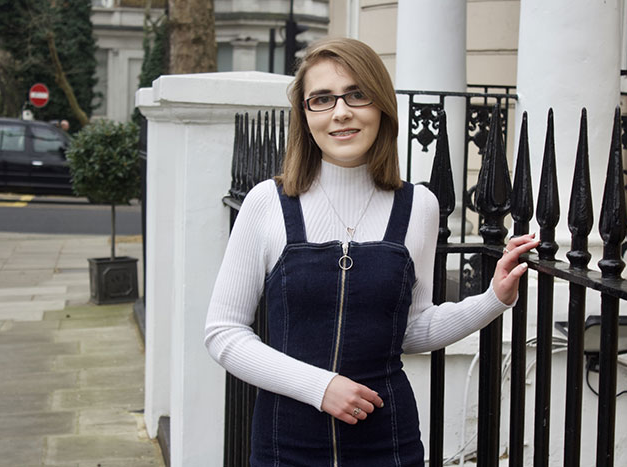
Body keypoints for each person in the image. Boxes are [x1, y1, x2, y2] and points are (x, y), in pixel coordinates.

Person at [204, 37, 539, 466]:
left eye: (357, 95)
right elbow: (223, 332)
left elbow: (412, 328)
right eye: (321, 99)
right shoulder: (268, 202)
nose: (341, 112)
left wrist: (494, 299)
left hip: (388, 442)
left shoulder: (419, 206)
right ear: (305, 117)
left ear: (381, 105)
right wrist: (319, 387)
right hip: (285, 443)